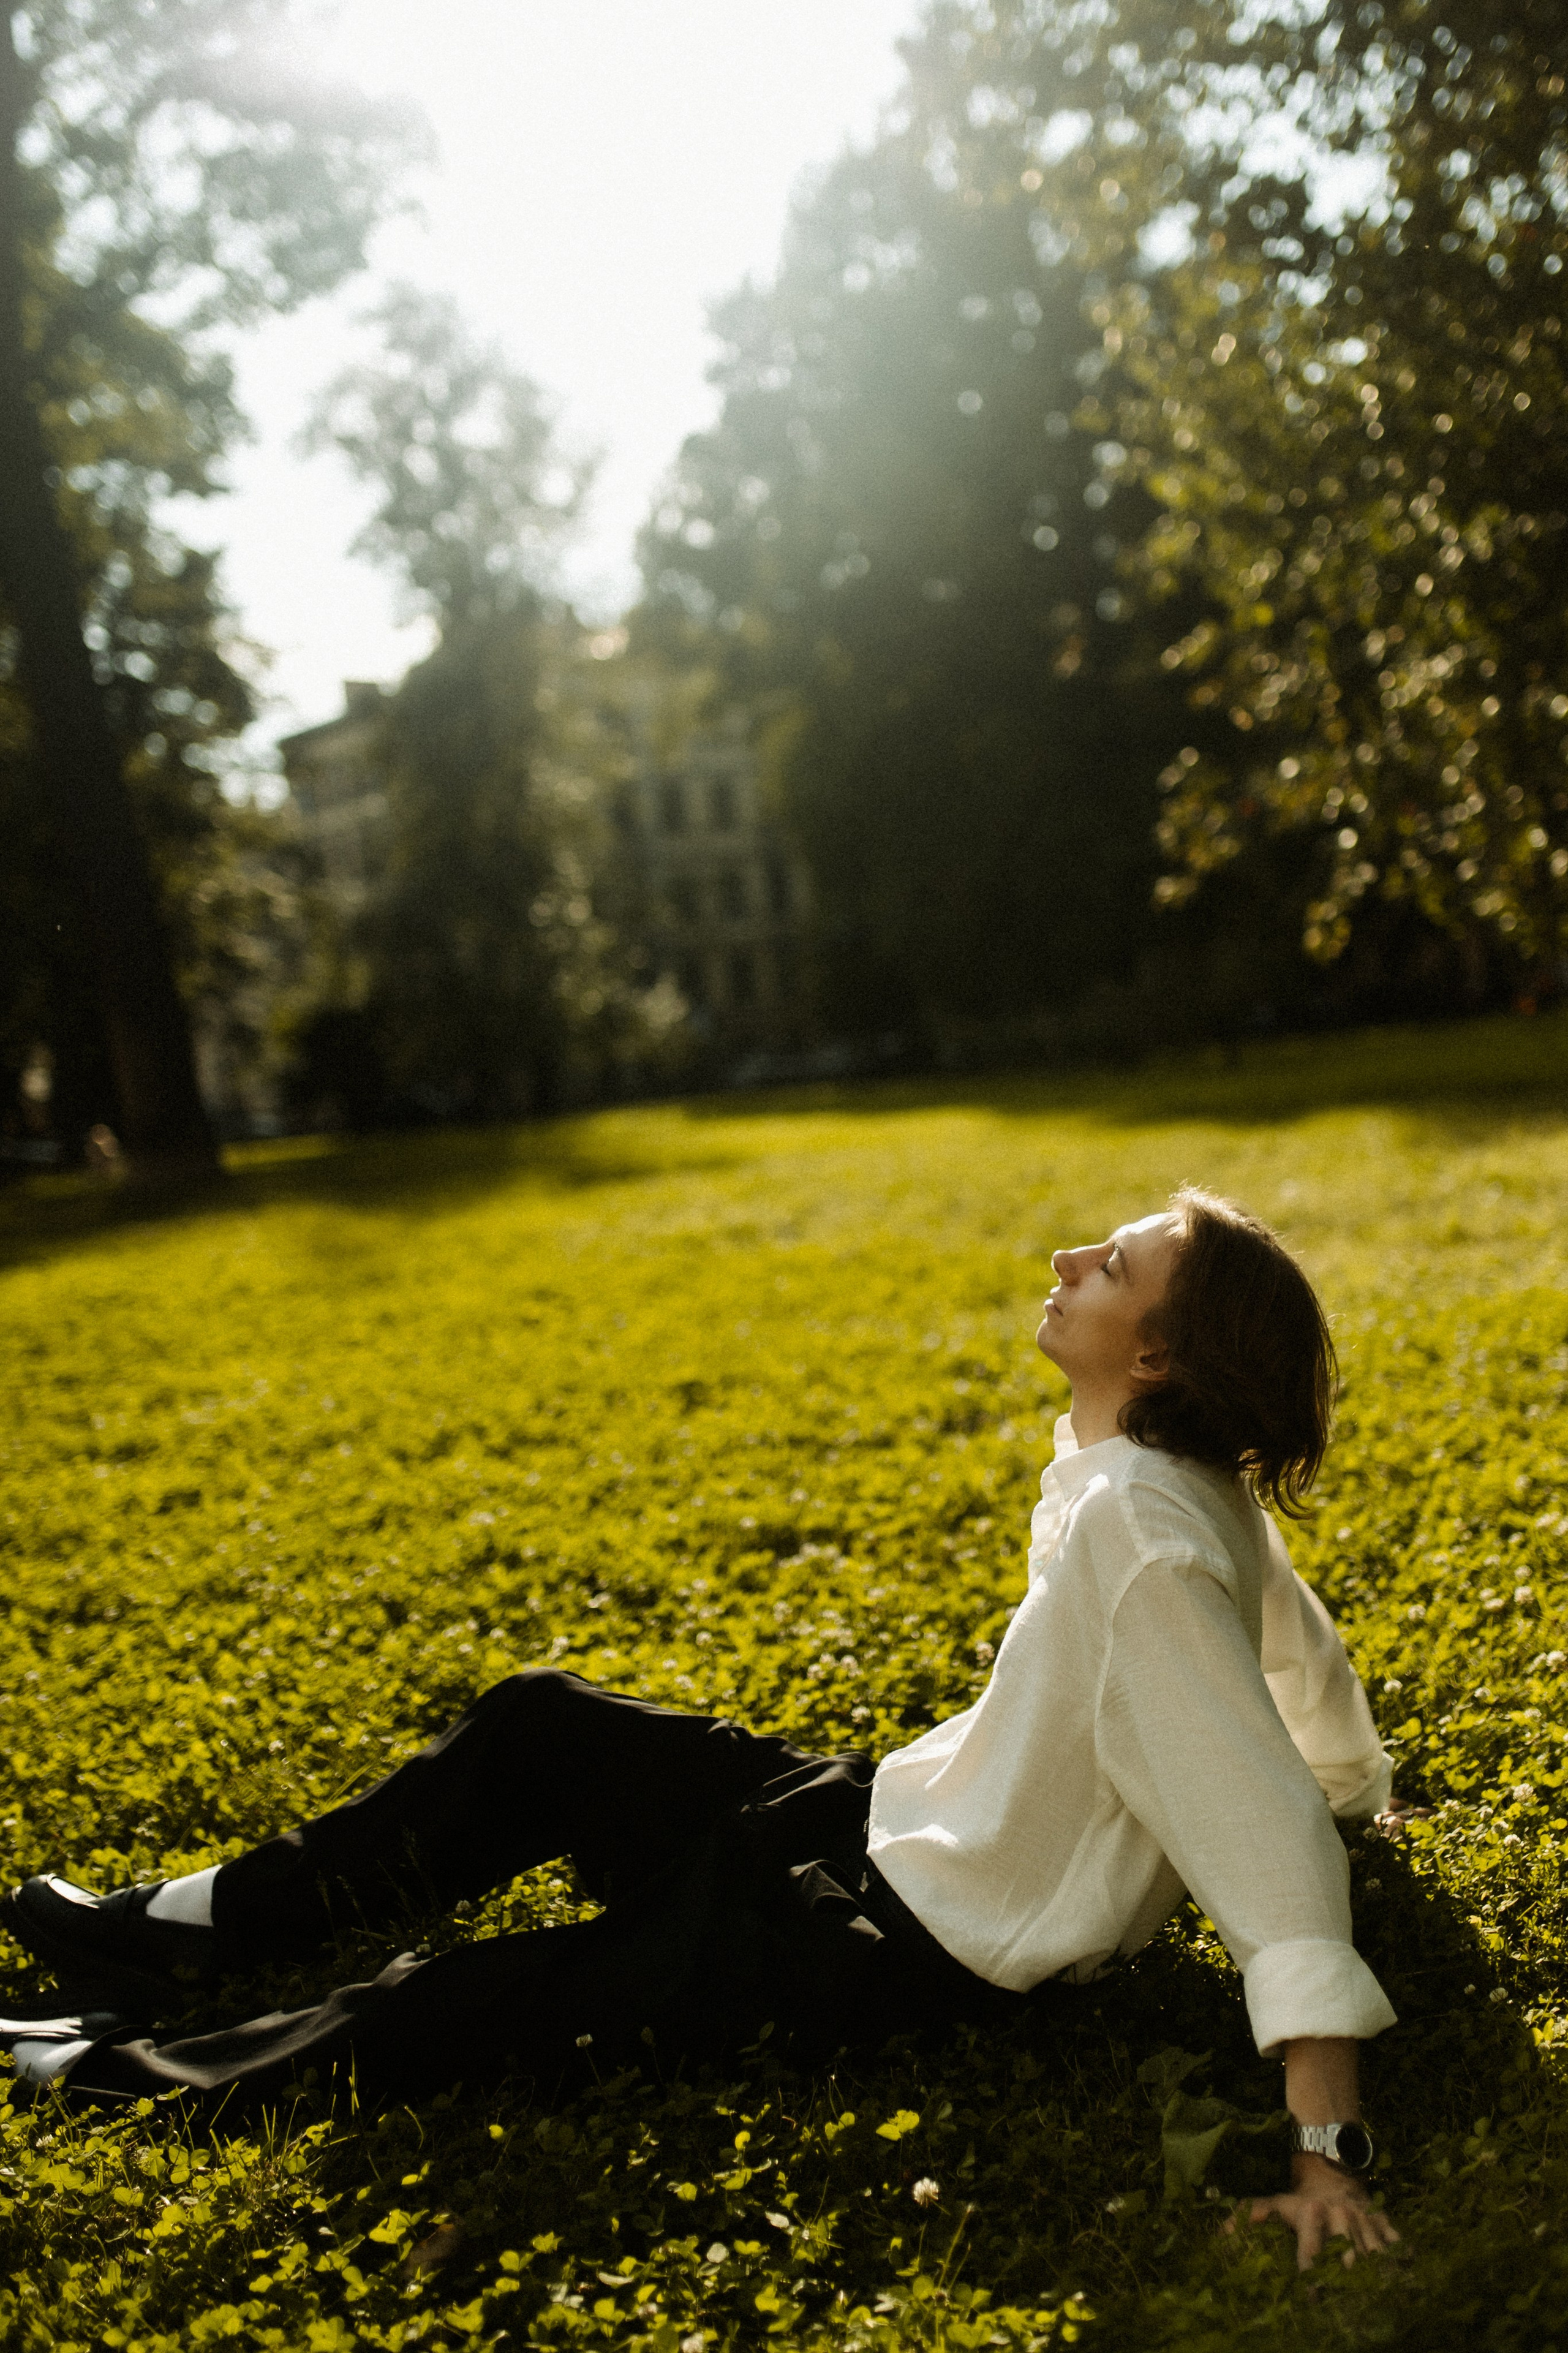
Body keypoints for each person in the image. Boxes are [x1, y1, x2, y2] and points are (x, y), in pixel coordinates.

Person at [2, 1187, 1399, 2271]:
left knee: (470, 2000)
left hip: (874, 1943)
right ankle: (182, 1928)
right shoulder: (1173, 1482)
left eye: (1107, 1263)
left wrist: (1321, 2147)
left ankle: (110, 2075)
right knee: (540, 1724)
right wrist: (1354, 1790)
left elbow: (1259, 1835)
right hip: (860, 1816)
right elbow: (1300, 1663)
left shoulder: (1139, 1532)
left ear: (1153, 1348)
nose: (1060, 1259)